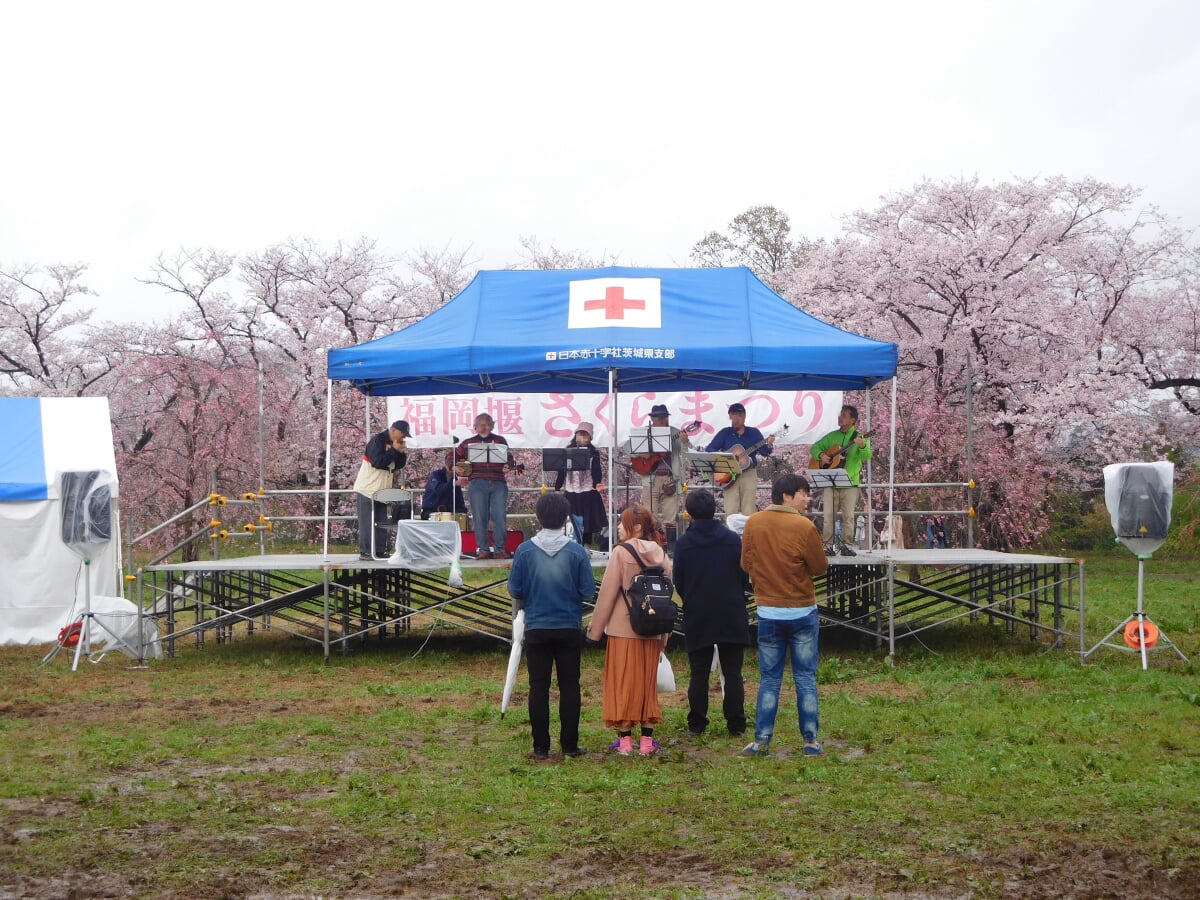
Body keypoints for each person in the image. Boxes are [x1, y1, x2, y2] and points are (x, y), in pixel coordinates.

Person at [738, 473, 829, 757]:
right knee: (804, 678)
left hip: (768, 610)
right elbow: (819, 567)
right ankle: (810, 741)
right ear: (787, 496)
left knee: (769, 679)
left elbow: (745, 563)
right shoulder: (804, 526)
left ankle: (761, 740)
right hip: (801, 610)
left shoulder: (753, 523)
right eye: (803, 493)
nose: (807, 498)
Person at [507, 492, 597, 760]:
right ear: (566, 518)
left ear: (537, 518)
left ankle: (540, 747)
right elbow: (588, 592)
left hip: (537, 627)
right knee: (570, 686)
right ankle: (570, 745)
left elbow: (515, 589)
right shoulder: (576, 552)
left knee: (538, 687)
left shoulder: (524, 551)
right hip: (568, 625)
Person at [586, 505, 672, 756]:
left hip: (624, 629)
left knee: (622, 682)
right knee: (647, 684)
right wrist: (664, 637)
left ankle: (625, 741)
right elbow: (666, 597)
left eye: (622, 523)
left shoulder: (621, 553)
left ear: (636, 527)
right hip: (653, 629)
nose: (618, 527)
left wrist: (595, 632)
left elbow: (608, 595)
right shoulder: (662, 555)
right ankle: (646, 742)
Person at [671, 489, 751, 738]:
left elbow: (679, 581)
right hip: (731, 609)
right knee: (733, 671)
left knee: (699, 672)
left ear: (689, 512)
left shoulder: (684, 543)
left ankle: (697, 724)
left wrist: (691, 599)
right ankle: (736, 724)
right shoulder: (732, 539)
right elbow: (743, 575)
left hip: (699, 611)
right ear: (715, 509)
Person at [809, 404, 872, 549]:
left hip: (850, 483)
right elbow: (814, 448)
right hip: (831, 482)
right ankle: (828, 545)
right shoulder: (832, 436)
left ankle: (847, 546)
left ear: (853, 420)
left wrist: (862, 446)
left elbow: (867, 455)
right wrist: (821, 456)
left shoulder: (860, 437)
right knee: (828, 516)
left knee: (848, 517)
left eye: (844, 415)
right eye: (840, 414)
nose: (840, 417)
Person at [455, 413, 515, 560]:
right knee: (479, 516)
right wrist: (455, 466)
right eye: (481, 424)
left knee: (500, 515)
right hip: (477, 482)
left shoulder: (500, 441)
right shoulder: (468, 443)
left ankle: (500, 549)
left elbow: (510, 459)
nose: (484, 427)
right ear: (475, 427)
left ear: (492, 426)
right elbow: (453, 456)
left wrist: (508, 465)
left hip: (498, 482)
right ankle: (483, 549)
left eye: (488, 424)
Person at [705, 401, 776, 517]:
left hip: (748, 473)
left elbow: (765, 452)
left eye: (740, 416)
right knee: (730, 509)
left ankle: (747, 534)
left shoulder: (754, 433)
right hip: (729, 473)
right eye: (734, 416)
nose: (737, 419)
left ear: (744, 416)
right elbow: (710, 449)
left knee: (748, 510)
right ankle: (731, 534)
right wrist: (725, 456)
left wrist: (769, 444)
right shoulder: (725, 433)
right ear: (730, 417)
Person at [352, 419, 410, 560]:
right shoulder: (378, 441)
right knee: (367, 522)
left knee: (381, 521)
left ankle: (380, 550)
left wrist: (401, 453)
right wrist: (394, 450)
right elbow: (377, 462)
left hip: (382, 491)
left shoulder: (394, 444)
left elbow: (397, 466)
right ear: (393, 430)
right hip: (367, 488)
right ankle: (366, 551)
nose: (403, 438)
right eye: (402, 434)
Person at [636, 403, 689, 541]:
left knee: (670, 515)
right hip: (650, 478)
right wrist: (643, 454)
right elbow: (630, 449)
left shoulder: (675, 433)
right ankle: (652, 544)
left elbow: (685, 453)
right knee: (649, 514)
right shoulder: (644, 433)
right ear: (652, 419)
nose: (661, 420)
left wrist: (684, 442)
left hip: (670, 478)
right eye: (658, 418)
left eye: (663, 417)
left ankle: (671, 547)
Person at [553, 421, 607, 546]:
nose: (582, 438)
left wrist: (597, 484)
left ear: (590, 438)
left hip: (588, 491)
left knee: (588, 521)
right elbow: (561, 471)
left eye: (585, 435)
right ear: (575, 436)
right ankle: (573, 545)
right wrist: (557, 487)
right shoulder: (567, 451)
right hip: (571, 491)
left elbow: (596, 472)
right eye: (579, 435)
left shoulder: (594, 453)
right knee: (571, 521)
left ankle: (586, 546)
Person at [420, 451, 466, 520]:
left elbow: (459, 500)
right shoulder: (435, 475)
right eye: (449, 463)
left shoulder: (455, 478)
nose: (451, 467)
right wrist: (454, 483)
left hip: (449, 512)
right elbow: (439, 489)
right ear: (445, 463)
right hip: (432, 510)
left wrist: (462, 511)